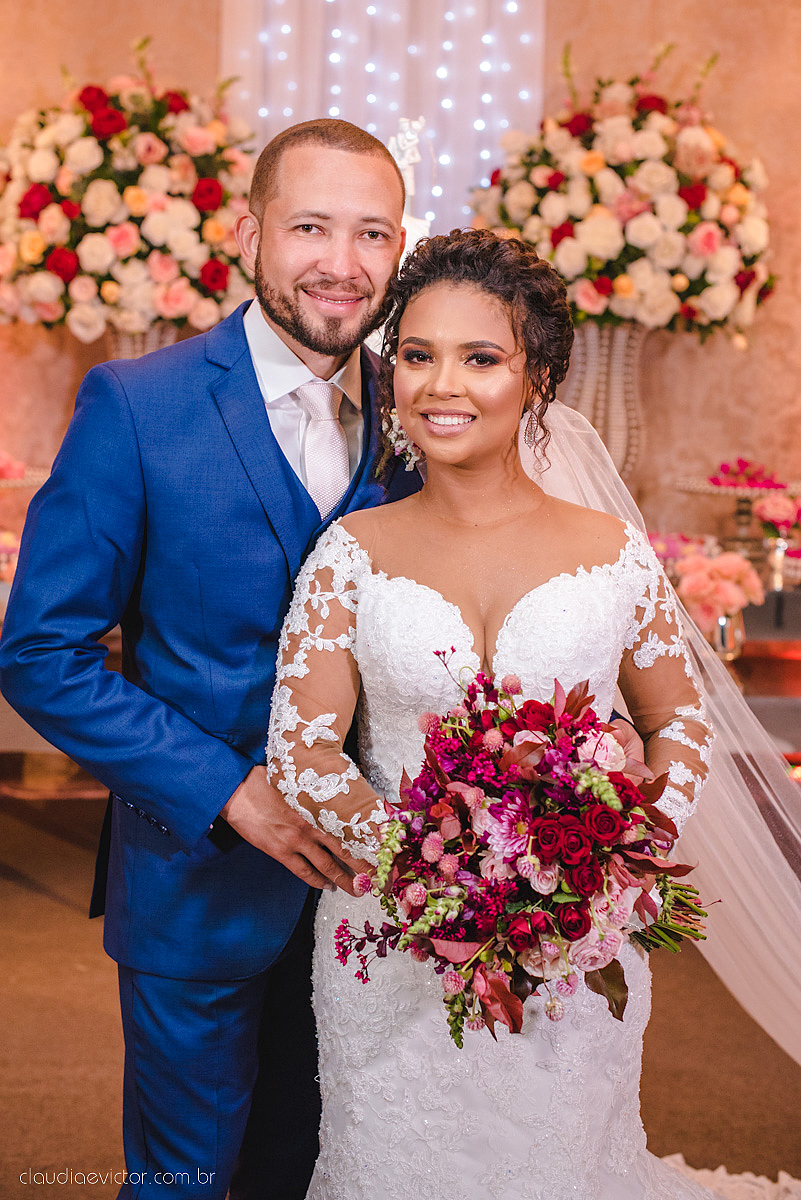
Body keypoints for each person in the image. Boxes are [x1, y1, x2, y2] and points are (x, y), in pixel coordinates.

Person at [0, 119, 419, 1200]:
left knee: (329, 1165)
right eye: (312, 226)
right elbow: (42, 652)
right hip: (198, 888)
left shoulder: (421, 409)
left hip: (380, 907)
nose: (343, 261)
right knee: (190, 1181)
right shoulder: (137, 406)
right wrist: (230, 792)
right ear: (248, 234)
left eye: (373, 232)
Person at [265, 228, 725, 1199]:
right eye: (418, 356)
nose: (442, 386)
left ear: (539, 376)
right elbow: (301, 750)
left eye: (481, 358)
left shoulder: (614, 553)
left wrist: (615, 857)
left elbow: (681, 720)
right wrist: (426, 874)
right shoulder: (350, 552)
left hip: (573, 942)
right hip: (387, 943)